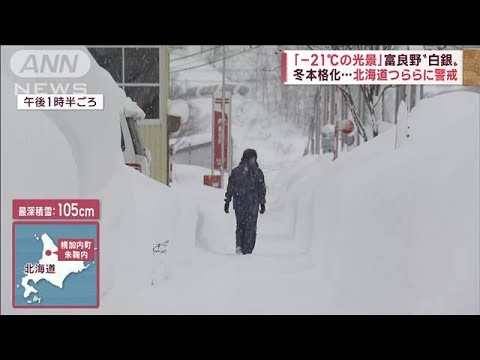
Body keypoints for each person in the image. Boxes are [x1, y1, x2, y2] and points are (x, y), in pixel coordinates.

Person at [224, 149, 266, 255]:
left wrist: (227, 201)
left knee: (240, 225)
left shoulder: (236, 171)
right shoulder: (258, 172)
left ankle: (239, 245)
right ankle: (247, 249)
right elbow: (262, 189)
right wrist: (262, 203)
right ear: (254, 158)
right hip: (252, 204)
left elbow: (230, 188)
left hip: (239, 204)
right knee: (250, 227)